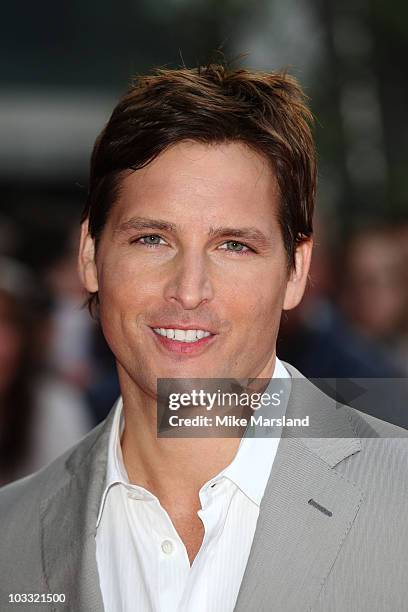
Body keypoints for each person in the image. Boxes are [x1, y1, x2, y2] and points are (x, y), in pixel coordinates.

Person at [0, 62, 407, 612]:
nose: (189, 291)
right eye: (151, 239)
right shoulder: (11, 538)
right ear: (91, 257)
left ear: (295, 271)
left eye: (233, 245)